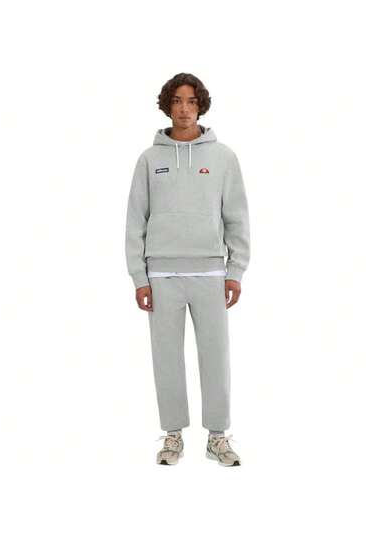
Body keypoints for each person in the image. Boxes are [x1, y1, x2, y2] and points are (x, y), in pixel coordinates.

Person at [125, 72, 250, 466]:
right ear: (167, 105)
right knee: (166, 358)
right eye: (177, 101)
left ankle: (218, 437)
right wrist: (139, 277)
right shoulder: (149, 160)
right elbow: (135, 221)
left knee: (216, 357)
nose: (184, 109)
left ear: (201, 105)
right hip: (162, 276)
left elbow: (237, 217)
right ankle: (173, 435)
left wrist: (235, 271)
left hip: (211, 273)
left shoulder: (223, 158)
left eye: (191, 101)